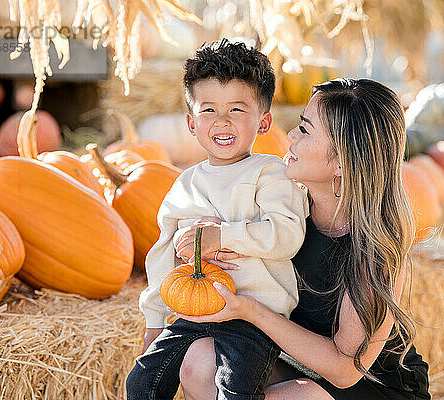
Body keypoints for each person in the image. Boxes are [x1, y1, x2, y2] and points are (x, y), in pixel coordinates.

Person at [170, 78, 431, 400]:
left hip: (370, 386)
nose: (291, 135)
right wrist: (204, 234)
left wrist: (249, 310)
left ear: (341, 162)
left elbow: (345, 369)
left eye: (305, 130)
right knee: (200, 361)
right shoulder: (279, 212)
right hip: (295, 362)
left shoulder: (374, 250)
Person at [125, 39, 309, 400]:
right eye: (208, 110)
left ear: (264, 122)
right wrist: (154, 321)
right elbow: (162, 257)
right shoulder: (184, 185)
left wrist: (221, 237)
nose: (222, 121)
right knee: (141, 383)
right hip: (194, 312)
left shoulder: (271, 174)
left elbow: (287, 235)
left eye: (237, 110)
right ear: (192, 123)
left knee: (234, 390)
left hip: (254, 320)